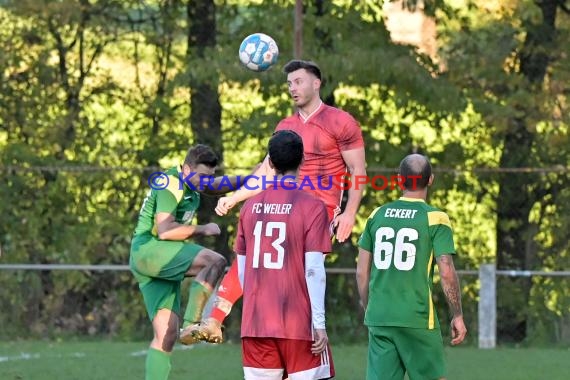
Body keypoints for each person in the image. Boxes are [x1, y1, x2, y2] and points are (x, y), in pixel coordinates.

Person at [191, 59, 366, 343]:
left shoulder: (341, 121)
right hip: (284, 204)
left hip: (319, 211)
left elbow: (358, 171)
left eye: (298, 82)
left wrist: (349, 213)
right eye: (289, 84)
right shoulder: (286, 125)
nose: (292, 88)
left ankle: (307, 332)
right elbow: (267, 170)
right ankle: (215, 319)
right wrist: (235, 197)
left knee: (300, 274)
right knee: (254, 254)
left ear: (316, 83)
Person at [130, 144, 238, 380]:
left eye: (209, 177)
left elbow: (219, 185)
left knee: (166, 334)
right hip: (151, 250)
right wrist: (203, 229)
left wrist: (252, 179)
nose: (206, 183)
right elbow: (165, 230)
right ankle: (192, 323)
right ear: (187, 169)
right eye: (202, 177)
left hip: (155, 256)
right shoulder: (172, 183)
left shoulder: (191, 182)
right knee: (215, 261)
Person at [356, 154, 467, 380]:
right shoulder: (436, 218)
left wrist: (371, 306)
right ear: (430, 180)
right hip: (416, 316)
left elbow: (361, 272)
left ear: (399, 180)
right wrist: (457, 315)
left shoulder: (377, 215)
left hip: (380, 316)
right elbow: (446, 271)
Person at [236, 130, 334, 379]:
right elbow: (313, 269)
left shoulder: (249, 207)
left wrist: (257, 307)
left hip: (256, 324)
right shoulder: (312, 207)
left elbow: (242, 271)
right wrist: (319, 324)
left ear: (269, 162)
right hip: (299, 325)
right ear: (302, 160)